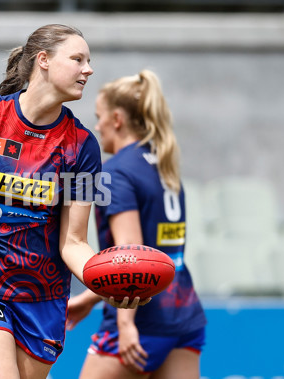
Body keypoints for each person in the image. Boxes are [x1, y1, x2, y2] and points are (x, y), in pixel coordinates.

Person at [0, 24, 148, 379]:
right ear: (44, 61)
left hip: (42, 300)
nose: (89, 69)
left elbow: (74, 242)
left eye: (89, 60)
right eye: (78, 59)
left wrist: (107, 283)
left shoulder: (82, 146)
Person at [66, 70, 207, 378]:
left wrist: (126, 325)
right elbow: (154, 257)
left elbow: (130, 264)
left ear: (117, 119)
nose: (97, 125)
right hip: (184, 315)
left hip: (142, 323)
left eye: (99, 116)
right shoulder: (162, 163)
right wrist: (88, 300)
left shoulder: (116, 172)